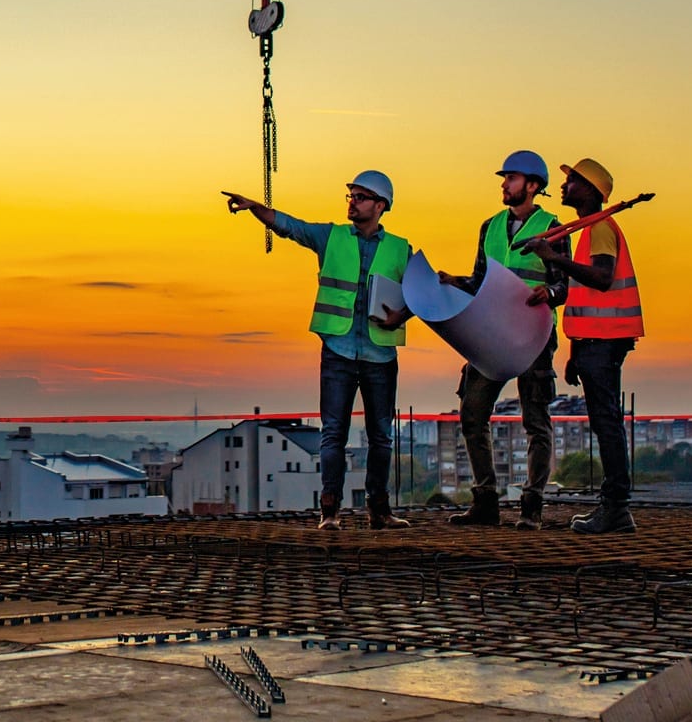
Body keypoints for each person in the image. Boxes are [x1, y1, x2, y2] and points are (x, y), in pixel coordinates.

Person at [223, 171, 412, 530]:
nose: (352, 202)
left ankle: (380, 511)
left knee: (381, 435)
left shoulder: (400, 249)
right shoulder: (332, 236)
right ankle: (330, 512)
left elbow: (423, 292)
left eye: (360, 196)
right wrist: (255, 209)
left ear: (381, 205)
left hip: (379, 355)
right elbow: (290, 226)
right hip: (339, 350)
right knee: (333, 433)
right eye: (351, 196)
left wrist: (403, 313)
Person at [437, 150, 570, 530]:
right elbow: (482, 278)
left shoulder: (553, 228)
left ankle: (532, 506)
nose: (503, 184)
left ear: (532, 186)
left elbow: (565, 283)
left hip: (533, 336)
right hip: (490, 334)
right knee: (472, 413)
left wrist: (551, 292)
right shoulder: (490, 226)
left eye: (510, 178)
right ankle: (485, 502)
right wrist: (456, 282)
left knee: (535, 420)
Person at [524, 157, 644, 534]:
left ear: (591, 191)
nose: (564, 186)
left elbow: (602, 279)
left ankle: (616, 508)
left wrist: (554, 258)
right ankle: (614, 507)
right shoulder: (591, 230)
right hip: (595, 342)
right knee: (604, 421)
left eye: (572, 180)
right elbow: (583, 296)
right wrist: (576, 350)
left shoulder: (601, 229)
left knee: (607, 423)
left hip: (605, 342)